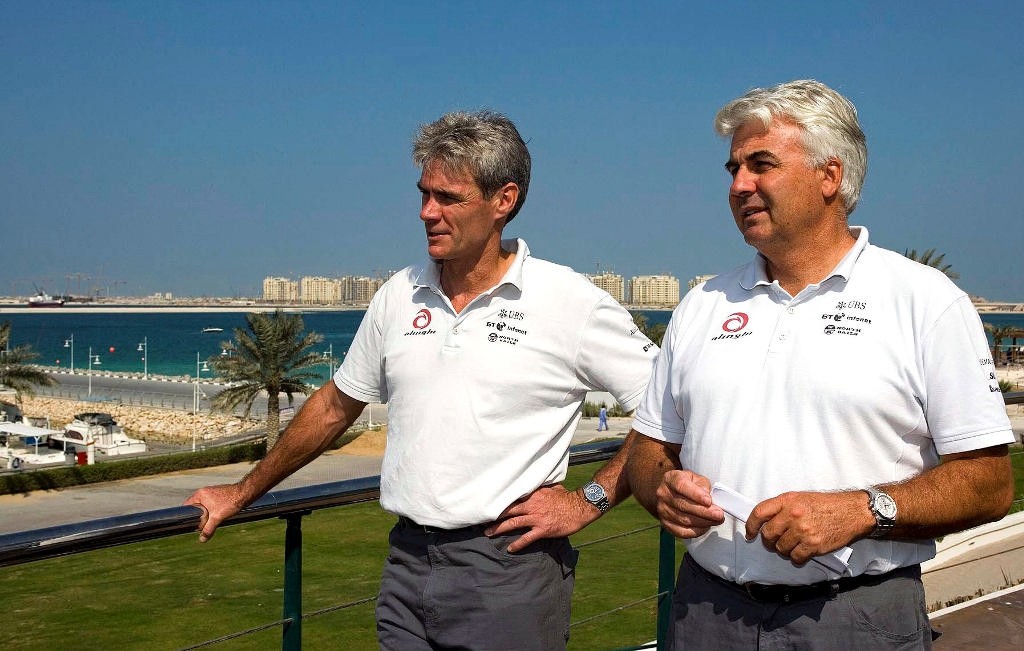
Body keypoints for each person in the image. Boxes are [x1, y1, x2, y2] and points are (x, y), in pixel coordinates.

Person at [185, 110, 657, 650]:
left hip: (508, 568)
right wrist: (241, 493)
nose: (426, 212)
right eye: (423, 194)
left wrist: (588, 499)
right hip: (407, 564)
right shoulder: (399, 293)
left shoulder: (568, 301)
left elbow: (664, 406)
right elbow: (336, 406)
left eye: (448, 198)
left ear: (504, 200)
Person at [625, 79, 1015, 650]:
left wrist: (864, 510)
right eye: (733, 168)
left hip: (855, 619)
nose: (739, 186)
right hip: (706, 612)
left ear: (829, 176)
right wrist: (664, 488)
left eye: (761, 165)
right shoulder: (703, 304)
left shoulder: (923, 301)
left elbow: (989, 483)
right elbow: (649, 450)